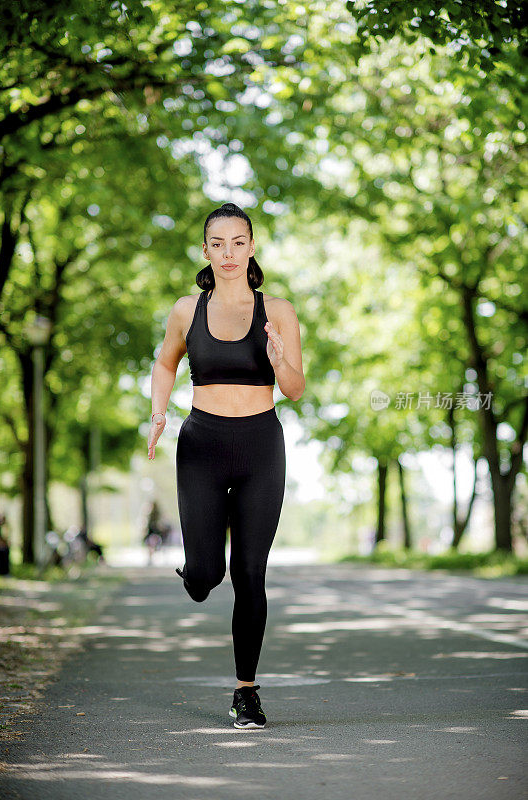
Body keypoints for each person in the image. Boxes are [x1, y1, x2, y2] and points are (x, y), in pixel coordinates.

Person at [147, 202, 305, 729]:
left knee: (249, 572)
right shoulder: (185, 309)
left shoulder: (278, 310)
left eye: (239, 242)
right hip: (202, 446)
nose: (229, 252)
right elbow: (165, 361)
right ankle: (195, 573)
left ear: (252, 247)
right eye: (219, 243)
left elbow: (296, 389)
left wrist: (280, 358)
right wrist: (157, 414)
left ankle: (246, 691)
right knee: (208, 572)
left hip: (262, 445)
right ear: (207, 250)